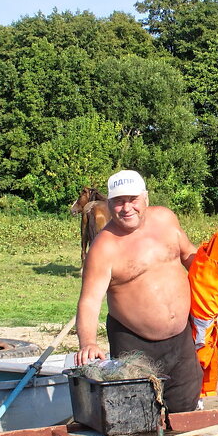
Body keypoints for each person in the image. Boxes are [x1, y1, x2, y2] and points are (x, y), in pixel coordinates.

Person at [76, 169, 203, 415]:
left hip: (181, 340)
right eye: (119, 202)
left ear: (146, 198)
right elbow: (90, 302)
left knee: (185, 410)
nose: (127, 208)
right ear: (109, 203)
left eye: (132, 199)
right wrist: (88, 342)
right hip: (134, 344)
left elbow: (190, 256)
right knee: (138, 414)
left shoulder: (166, 219)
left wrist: (216, 288)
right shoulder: (103, 248)